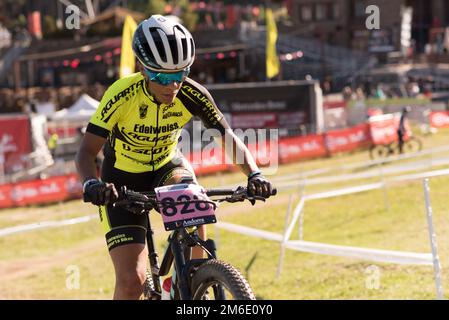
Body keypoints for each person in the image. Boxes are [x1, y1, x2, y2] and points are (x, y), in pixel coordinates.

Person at [75, 15, 274, 300]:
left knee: (195, 211)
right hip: (121, 179)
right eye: (162, 77)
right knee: (133, 281)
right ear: (143, 69)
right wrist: (91, 184)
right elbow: (85, 153)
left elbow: (228, 137)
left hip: (168, 167)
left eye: (180, 74)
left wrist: (255, 174)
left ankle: (192, 283)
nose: (173, 86)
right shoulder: (120, 95)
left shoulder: (192, 93)